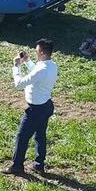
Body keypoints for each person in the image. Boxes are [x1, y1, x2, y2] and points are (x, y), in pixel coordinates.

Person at [5, 39, 58, 175]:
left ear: (41, 53)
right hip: (46, 106)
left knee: (22, 137)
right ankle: (39, 165)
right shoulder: (51, 65)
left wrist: (16, 66)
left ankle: (17, 166)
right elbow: (38, 72)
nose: (35, 53)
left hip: (36, 110)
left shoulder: (41, 70)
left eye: (36, 51)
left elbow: (19, 84)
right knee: (40, 136)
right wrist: (27, 61)